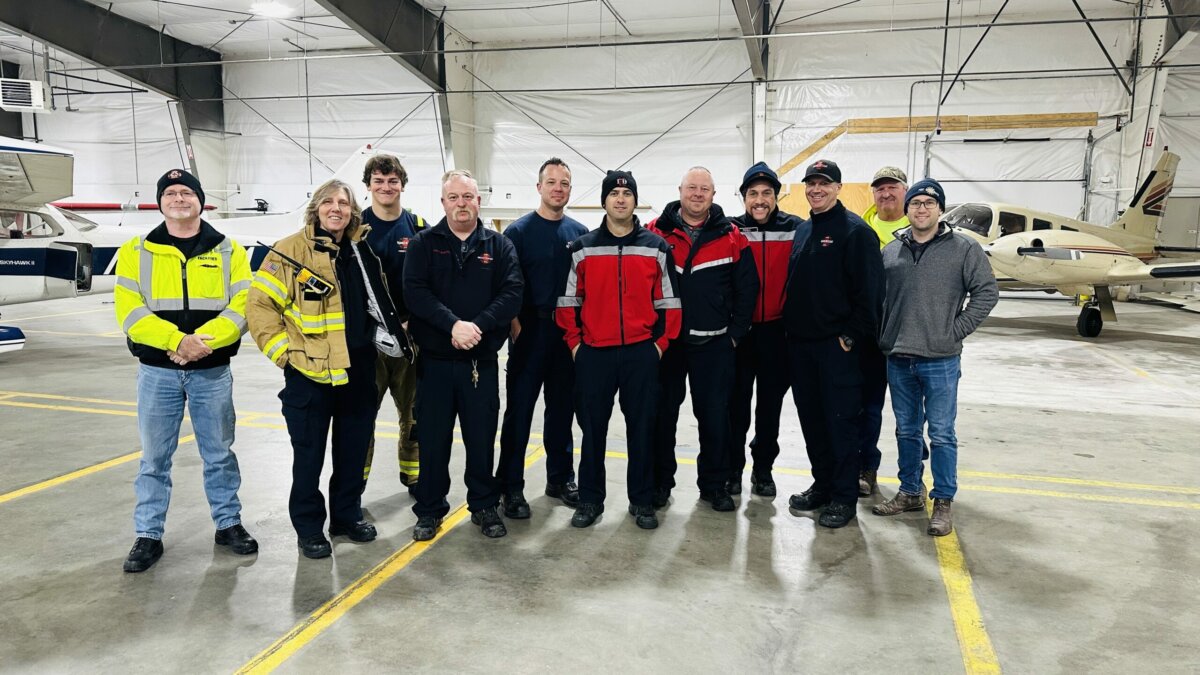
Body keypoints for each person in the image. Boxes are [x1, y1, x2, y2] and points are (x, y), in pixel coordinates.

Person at [247, 178, 405, 559]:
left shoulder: (359, 250)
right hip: (309, 377)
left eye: (345, 203)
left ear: (353, 211)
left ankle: (346, 517)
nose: (337, 209)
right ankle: (308, 528)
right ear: (316, 207)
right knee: (309, 459)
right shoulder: (288, 251)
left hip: (357, 370)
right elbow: (259, 307)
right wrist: (285, 354)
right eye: (329, 202)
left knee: (352, 455)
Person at [114, 168, 256, 573]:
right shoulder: (136, 250)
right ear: (160, 202)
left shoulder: (229, 249)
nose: (179, 199)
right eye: (171, 193)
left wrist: (199, 345)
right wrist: (178, 342)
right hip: (158, 371)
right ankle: (148, 534)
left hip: (211, 371)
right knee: (154, 458)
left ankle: (228, 524)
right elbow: (130, 310)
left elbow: (242, 305)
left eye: (186, 192)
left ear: (200, 200)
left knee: (219, 453)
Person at [872, 179, 998, 536]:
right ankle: (910, 491)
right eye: (915, 203)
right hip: (898, 357)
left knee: (941, 433)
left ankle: (943, 499)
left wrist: (954, 331)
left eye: (929, 203)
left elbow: (986, 294)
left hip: (940, 358)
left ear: (940, 210)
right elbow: (880, 300)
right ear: (907, 208)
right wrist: (885, 336)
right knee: (907, 430)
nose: (922, 208)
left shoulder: (963, 249)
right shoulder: (891, 252)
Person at [556, 170, 680, 529]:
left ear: (635, 201)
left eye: (627, 194)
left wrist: (659, 345)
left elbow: (670, 302)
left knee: (642, 429)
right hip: (594, 353)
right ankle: (591, 500)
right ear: (605, 201)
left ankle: (641, 501)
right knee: (592, 430)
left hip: (641, 353)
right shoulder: (582, 247)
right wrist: (576, 344)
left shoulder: (656, 247)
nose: (621, 199)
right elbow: (567, 302)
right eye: (614, 194)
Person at [404, 170, 523, 541]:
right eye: (453, 197)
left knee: (481, 437)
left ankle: (484, 505)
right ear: (443, 203)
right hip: (436, 362)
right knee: (434, 439)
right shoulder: (424, 243)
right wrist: (453, 325)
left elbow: (512, 293)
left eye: (468, 197)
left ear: (479, 201)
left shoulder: (499, 246)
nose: (461, 204)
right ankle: (429, 509)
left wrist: (478, 327)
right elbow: (415, 292)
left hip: (480, 363)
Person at [648, 167, 758, 512]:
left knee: (715, 419)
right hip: (668, 344)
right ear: (680, 190)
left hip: (714, 344)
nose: (698, 194)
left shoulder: (732, 236)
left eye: (705, 189)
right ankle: (660, 483)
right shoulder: (655, 233)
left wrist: (735, 336)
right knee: (662, 417)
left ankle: (714, 485)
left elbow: (747, 288)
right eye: (692, 188)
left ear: (714, 194)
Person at [782, 159, 884, 529]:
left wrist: (850, 337)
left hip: (836, 348)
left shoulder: (855, 232)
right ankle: (823, 485)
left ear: (838, 188)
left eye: (824, 183)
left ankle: (843, 497)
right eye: (811, 183)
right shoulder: (805, 230)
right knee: (813, 421)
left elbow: (871, 294)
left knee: (841, 423)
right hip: (802, 347)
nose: (816, 189)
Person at [496, 158, 588, 519]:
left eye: (564, 183)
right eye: (552, 182)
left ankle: (560, 478)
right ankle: (511, 486)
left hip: (566, 334)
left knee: (562, 410)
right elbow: (505, 284)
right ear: (539, 187)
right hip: (529, 331)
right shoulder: (517, 233)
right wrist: (514, 323)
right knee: (519, 410)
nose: (558, 189)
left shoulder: (579, 234)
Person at [727, 162, 800, 498]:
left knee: (769, 409)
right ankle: (731, 470)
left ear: (776, 196)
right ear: (743, 198)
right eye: (753, 193)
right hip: (740, 335)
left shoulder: (798, 229)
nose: (760, 200)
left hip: (777, 334)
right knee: (736, 407)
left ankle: (763, 470)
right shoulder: (728, 230)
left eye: (766, 193)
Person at [359, 153, 426, 492]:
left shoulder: (418, 226)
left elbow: (431, 281)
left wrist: (414, 321)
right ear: (369, 185)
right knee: (360, 419)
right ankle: (355, 486)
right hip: (366, 343)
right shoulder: (353, 228)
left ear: (402, 184)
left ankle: (414, 476)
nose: (386, 187)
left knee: (415, 417)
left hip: (410, 340)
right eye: (379, 181)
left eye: (392, 181)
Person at [855, 166, 909, 497]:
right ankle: (867, 468)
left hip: (910, 335)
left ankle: (912, 478)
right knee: (868, 406)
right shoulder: (861, 228)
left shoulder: (921, 225)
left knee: (910, 412)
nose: (886, 193)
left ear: (906, 190)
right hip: (871, 334)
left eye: (893, 187)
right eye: (880, 188)